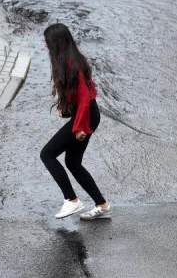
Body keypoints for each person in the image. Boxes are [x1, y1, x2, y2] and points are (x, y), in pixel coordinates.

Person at [40, 23, 112, 220]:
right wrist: (64, 105)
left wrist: (80, 127)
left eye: (48, 42)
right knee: (73, 162)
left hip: (87, 114)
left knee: (47, 154)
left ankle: (71, 200)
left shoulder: (74, 64)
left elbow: (85, 98)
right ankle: (102, 206)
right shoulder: (68, 61)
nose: (46, 46)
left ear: (57, 43)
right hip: (86, 113)